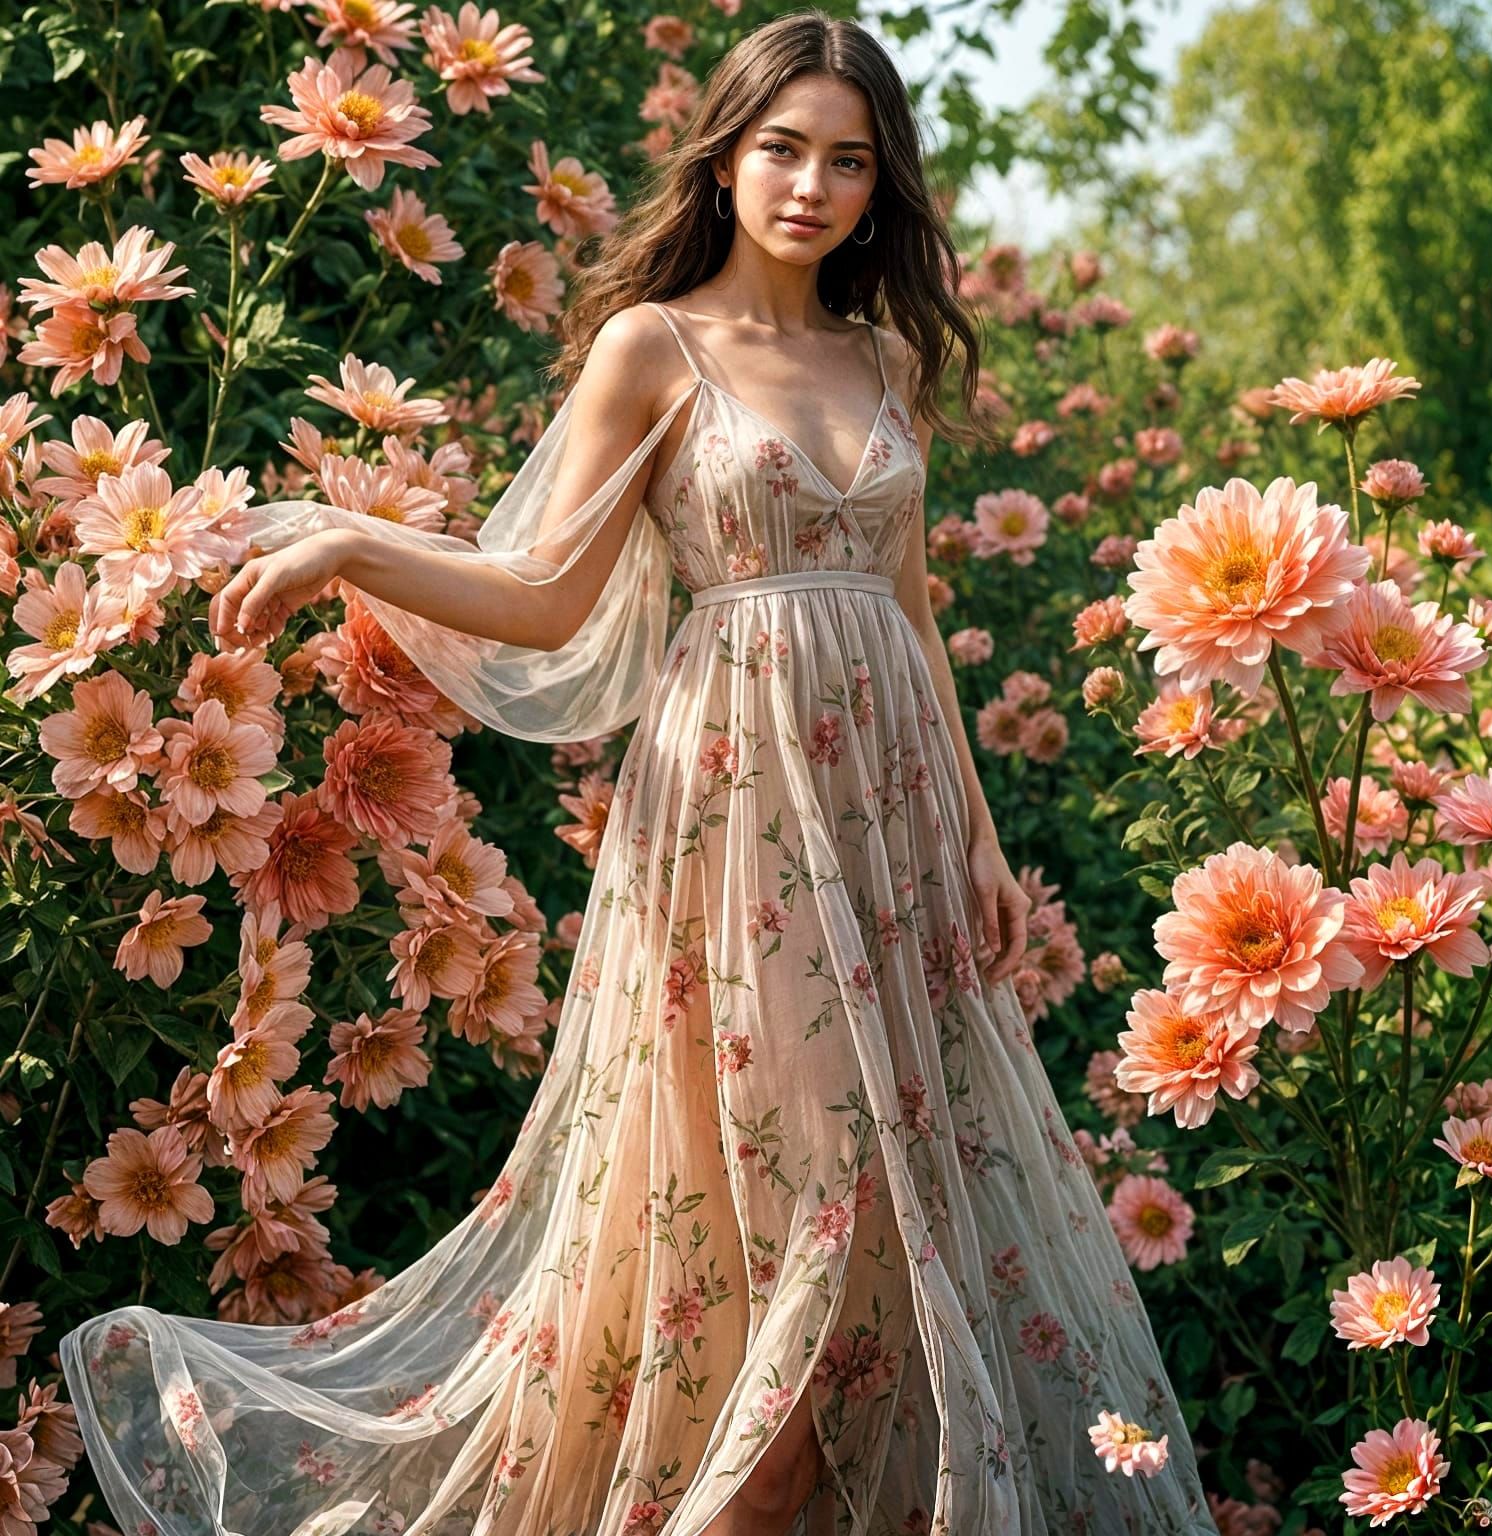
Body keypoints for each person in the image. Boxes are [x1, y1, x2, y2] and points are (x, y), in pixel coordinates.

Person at [60, 10, 1220, 1536]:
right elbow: (543, 590)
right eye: (784, 147)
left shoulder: (879, 355)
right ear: (728, 156)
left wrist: (985, 845)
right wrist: (352, 543)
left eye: (849, 159)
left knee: (895, 1209)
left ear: (883, 187)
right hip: (740, 812)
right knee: (805, 1199)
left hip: (895, 822)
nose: (810, 183)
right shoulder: (653, 346)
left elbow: (911, 604)